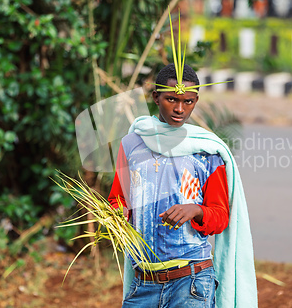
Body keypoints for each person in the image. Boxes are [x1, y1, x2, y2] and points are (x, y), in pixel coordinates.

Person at [108, 63, 258, 307]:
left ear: (195, 100)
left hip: (190, 282)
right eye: (170, 99)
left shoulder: (206, 151)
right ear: (156, 97)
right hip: (142, 282)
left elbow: (220, 217)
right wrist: (117, 215)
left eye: (188, 102)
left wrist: (196, 210)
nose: (179, 109)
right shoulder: (131, 144)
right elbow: (118, 199)